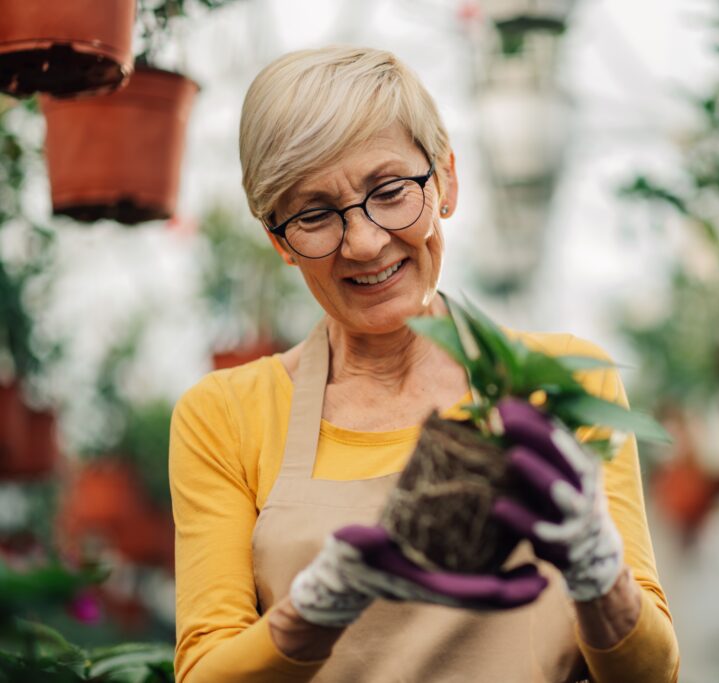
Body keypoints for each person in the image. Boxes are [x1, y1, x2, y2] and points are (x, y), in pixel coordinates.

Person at [170, 46, 680, 683]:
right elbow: (202, 672)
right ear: (279, 240)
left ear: (446, 182)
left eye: (389, 192)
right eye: (315, 214)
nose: (364, 241)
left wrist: (600, 574)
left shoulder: (561, 384)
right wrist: (319, 608)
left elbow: (652, 674)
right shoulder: (226, 415)